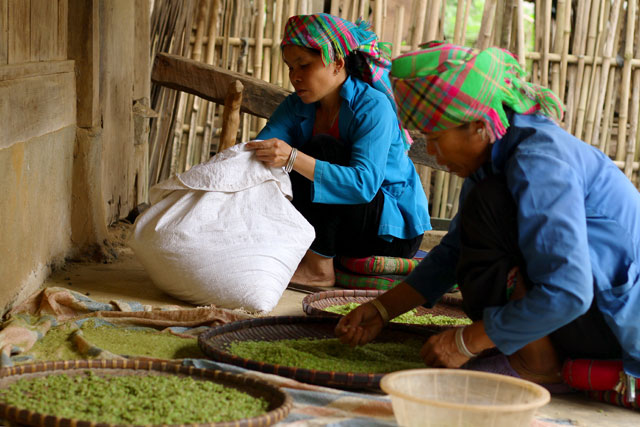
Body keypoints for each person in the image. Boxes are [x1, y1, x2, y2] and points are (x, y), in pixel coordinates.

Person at [335, 41, 640, 386]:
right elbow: (454, 252)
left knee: (489, 205)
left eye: (435, 138)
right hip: (588, 313)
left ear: (480, 126)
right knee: (479, 224)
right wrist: (382, 309)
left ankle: (536, 362)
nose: (432, 153)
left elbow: (569, 292)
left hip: (615, 323)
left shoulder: (539, 163)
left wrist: (467, 341)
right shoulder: (496, 156)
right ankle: (528, 345)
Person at [247, 14, 431, 287]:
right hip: (343, 228)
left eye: (304, 65)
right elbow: (259, 151)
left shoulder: (372, 106)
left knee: (319, 150)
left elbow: (363, 185)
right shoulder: (297, 105)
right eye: (290, 67)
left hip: (388, 233)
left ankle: (320, 268)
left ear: (337, 64)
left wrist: (293, 157)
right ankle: (304, 253)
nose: (294, 76)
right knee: (271, 161)